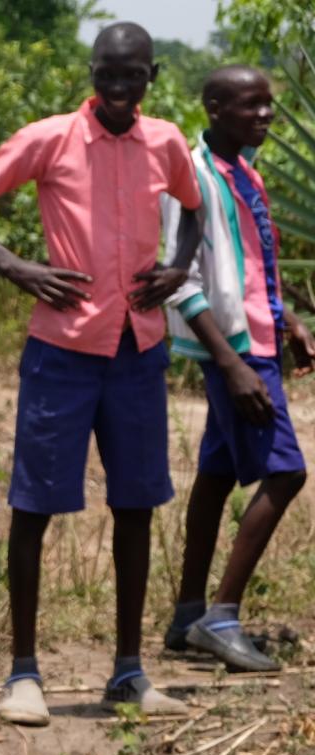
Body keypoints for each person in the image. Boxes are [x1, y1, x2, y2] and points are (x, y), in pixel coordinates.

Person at [0, 21, 203, 725]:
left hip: (138, 347)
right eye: (107, 76)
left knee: (136, 506)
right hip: (62, 349)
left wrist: (179, 268)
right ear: (92, 72)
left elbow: (195, 210)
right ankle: (23, 671)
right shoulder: (49, 137)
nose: (119, 90)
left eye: (133, 77)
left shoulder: (166, 141)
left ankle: (129, 671)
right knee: (33, 505)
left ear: (150, 77)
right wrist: (12, 264)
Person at [160, 66, 314, 672]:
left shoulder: (243, 172)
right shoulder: (191, 177)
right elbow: (180, 282)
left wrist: (289, 322)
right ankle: (221, 617)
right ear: (216, 107)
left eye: (269, 106)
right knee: (288, 474)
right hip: (237, 353)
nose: (266, 117)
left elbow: (252, 266)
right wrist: (231, 364)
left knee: (218, 475)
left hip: (258, 339)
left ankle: (186, 614)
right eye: (251, 106)